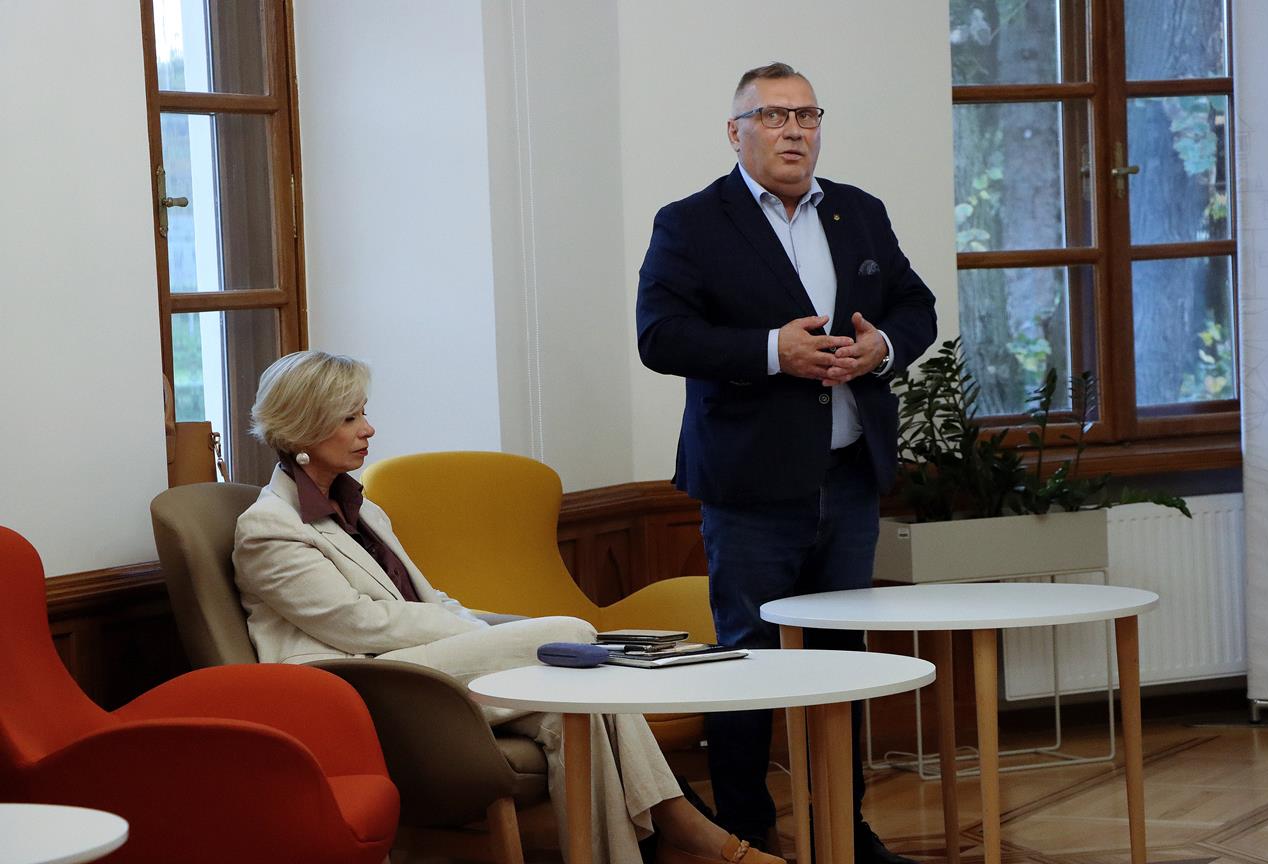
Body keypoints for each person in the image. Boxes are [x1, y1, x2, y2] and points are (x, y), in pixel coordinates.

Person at [232, 350, 783, 864]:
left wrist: (508, 629)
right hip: (359, 689)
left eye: (364, 413)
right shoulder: (268, 528)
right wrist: (496, 634)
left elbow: (429, 601)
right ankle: (689, 831)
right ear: (303, 428)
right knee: (573, 632)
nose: (368, 429)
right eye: (350, 418)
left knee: (576, 712)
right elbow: (360, 624)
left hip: (418, 665)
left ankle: (661, 837)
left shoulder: (362, 508)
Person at [636, 62, 937, 863]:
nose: (794, 130)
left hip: (849, 475)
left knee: (843, 660)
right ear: (735, 132)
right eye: (773, 116)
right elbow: (659, 336)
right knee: (749, 660)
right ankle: (744, 832)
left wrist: (881, 347)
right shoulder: (691, 223)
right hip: (749, 484)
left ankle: (844, 829)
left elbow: (916, 306)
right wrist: (773, 351)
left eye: (807, 115)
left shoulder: (858, 211)